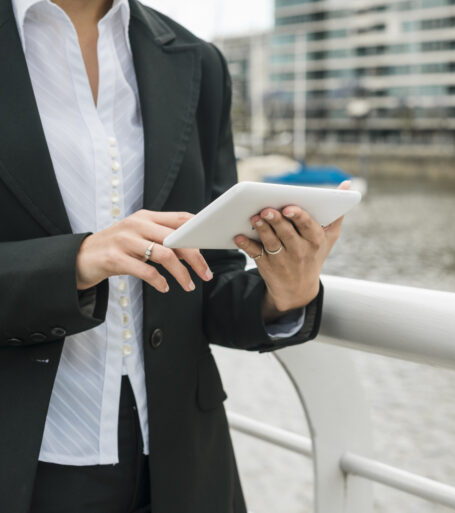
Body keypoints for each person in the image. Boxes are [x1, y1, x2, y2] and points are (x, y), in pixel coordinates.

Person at [0, 0, 344, 511]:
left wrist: (286, 293)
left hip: (181, 466)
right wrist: (78, 261)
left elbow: (210, 280)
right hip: (23, 459)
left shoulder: (197, 61)